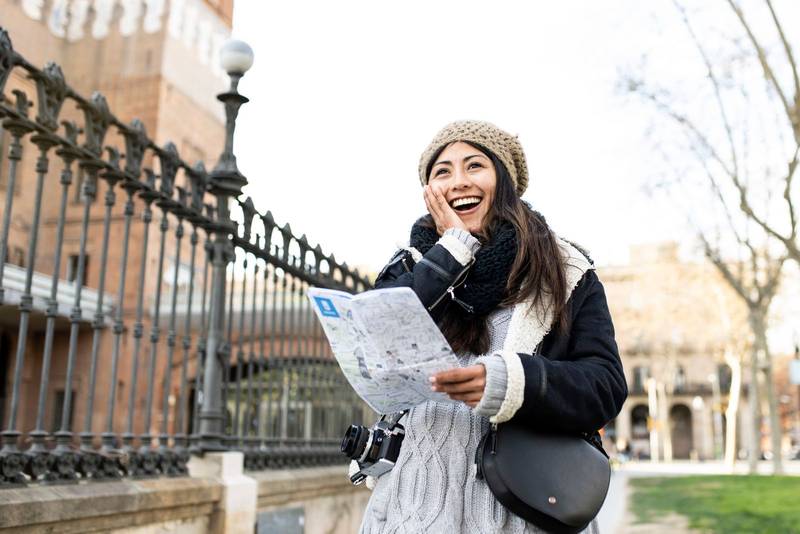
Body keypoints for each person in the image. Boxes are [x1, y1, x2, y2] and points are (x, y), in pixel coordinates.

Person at [356, 120, 627, 534]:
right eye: (442, 172)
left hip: (524, 510)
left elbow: (604, 385)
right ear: (431, 192)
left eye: (474, 165)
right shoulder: (408, 268)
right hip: (412, 508)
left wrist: (510, 382)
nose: (458, 181)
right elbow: (374, 352)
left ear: (504, 180)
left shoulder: (567, 270)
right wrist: (452, 251)